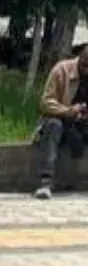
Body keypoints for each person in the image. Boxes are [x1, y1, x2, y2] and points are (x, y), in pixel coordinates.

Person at [33, 47, 88, 200]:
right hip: (60, 120)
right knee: (53, 125)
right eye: (85, 67)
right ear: (81, 61)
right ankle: (46, 183)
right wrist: (69, 111)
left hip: (81, 125)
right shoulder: (61, 70)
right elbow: (45, 103)